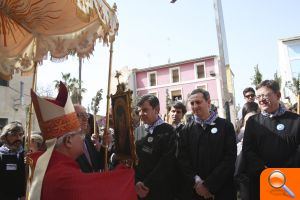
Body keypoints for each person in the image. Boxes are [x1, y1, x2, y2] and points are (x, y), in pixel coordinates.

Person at [28, 82, 137, 200]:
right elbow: (99, 191)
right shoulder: (63, 177)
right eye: (80, 134)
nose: (83, 138)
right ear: (68, 140)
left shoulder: (46, 164)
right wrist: (126, 173)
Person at [242, 80, 300, 200]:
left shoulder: (296, 120)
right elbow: (248, 149)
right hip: (263, 179)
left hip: (291, 179)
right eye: (258, 96)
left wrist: (284, 171)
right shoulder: (253, 122)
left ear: (278, 95)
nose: (261, 99)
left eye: (265, 95)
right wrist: (264, 170)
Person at [178, 88, 237, 200]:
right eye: (192, 103)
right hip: (196, 191)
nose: (195, 106)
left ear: (208, 102)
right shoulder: (186, 130)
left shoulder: (225, 126)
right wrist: (197, 182)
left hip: (222, 190)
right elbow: (182, 158)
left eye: (198, 102)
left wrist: (209, 185)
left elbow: (230, 157)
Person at [135, 94, 176, 200]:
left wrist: (147, 184)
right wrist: (137, 182)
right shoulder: (137, 131)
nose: (141, 114)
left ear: (156, 110)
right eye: (139, 111)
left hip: (160, 190)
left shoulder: (169, 131)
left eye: (145, 110)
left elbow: (167, 162)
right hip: (139, 189)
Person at [74, 104, 105, 172]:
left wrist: (103, 145)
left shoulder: (87, 138)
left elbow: (99, 163)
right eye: (81, 115)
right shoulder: (70, 143)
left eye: (86, 115)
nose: (85, 119)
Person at [0, 121, 26, 199]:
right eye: (14, 135)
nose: (18, 138)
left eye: (20, 135)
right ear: (5, 137)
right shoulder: (1, 154)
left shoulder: (26, 154)